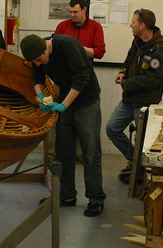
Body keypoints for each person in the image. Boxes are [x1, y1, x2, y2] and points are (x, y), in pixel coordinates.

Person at [20, 34, 105, 217]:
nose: (38, 64)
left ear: (45, 49)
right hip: (66, 102)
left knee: (90, 151)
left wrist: (64, 105)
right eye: (33, 62)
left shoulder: (67, 45)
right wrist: (40, 96)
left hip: (86, 103)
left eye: (39, 60)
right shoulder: (38, 55)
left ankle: (96, 198)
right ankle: (66, 196)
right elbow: (36, 78)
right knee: (64, 151)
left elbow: (82, 77)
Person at [106, 9, 163, 181]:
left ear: (143, 25)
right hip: (128, 101)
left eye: (133, 22)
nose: (130, 25)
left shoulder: (159, 50)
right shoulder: (136, 43)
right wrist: (122, 72)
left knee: (143, 141)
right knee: (112, 129)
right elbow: (127, 62)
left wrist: (128, 83)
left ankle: (141, 169)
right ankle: (134, 161)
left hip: (144, 104)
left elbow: (155, 79)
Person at [55, 0, 106, 64]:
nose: (72, 15)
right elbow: (54, 48)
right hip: (65, 70)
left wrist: (78, 48)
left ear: (84, 10)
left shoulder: (95, 26)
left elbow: (100, 53)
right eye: (70, 12)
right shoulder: (62, 26)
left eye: (75, 12)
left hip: (85, 70)